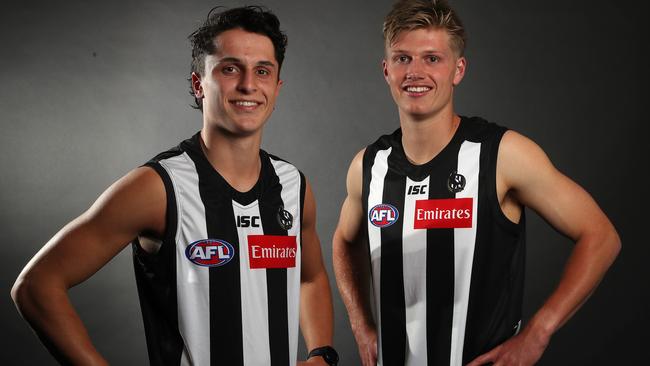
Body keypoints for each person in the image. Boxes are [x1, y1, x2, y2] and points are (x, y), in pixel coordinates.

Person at [11, 6, 338, 366]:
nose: (248, 85)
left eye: (262, 71)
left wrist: (321, 352)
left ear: (276, 88)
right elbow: (36, 285)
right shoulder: (157, 187)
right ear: (200, 83)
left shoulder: (293, 186)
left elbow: (311, 277)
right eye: (230, 69)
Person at [332, 0, 621, 365]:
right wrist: (361, 323)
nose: (415, 72)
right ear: (386, 69)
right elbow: (344, 240)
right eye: (403, 58)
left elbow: (601, 236)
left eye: (432, 59)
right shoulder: (368, 165)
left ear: (458, 69)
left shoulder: (502, 155)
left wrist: (539, 332)